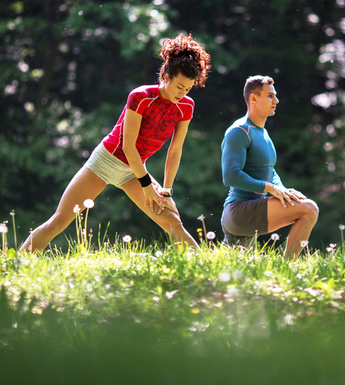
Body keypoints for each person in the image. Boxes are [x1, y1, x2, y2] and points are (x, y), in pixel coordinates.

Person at [19, 34, 211, 253]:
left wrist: (165, 192)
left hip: (134, 172)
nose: (182, 93)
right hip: (105, 161)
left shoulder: (186, 107)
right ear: (166, 76)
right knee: (59, 221)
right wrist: (148, 187)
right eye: (179, 86)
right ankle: (16, 263)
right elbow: (128, 147)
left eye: (187, 89)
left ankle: (206, 267)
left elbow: (175, 151)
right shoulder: (141, 97)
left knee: (174, 222)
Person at [220, 75, 319, 257]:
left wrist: (281, 189)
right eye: (270, 96)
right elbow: (230, 175)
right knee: (309, 209)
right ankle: (287, 267)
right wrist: (270, 188)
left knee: (235, 271)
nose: (276, 100)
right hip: (239, 210)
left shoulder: (262, 132)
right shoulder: (239, 131)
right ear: (254, 98)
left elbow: (269, 170)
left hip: (250, 211)